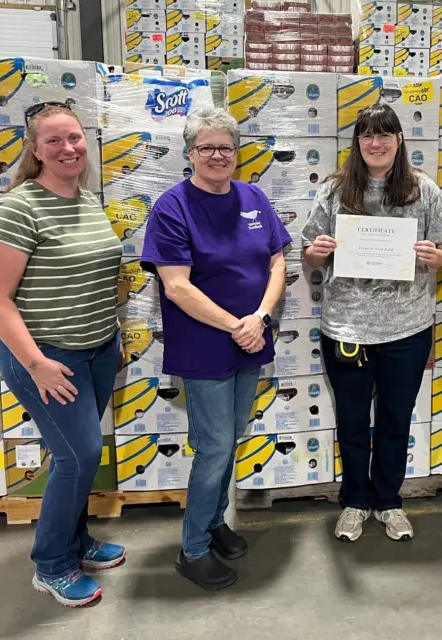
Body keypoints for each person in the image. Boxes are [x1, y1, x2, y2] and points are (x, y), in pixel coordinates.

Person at [0, 103, 125, 608]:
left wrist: (113, 338)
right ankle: (51, 564)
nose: (69, 148)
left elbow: (97, 277)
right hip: (47, 357)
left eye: (76, 138)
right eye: (56, 141)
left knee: (81, 461)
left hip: (98, 350)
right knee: (78, 456)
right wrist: (37, 364)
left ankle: (78, 542)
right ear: (35, 149)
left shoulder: (85, 200)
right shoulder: (19, 208)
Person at [141, 108, 290, 591]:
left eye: (226, 147)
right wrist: (237, 326)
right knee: (215, 446)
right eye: (207, 147)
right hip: (205, 347)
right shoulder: (172, 207)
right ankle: (193, 548)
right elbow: (177, 287)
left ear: (237, 152)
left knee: (234, 436)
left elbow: (277, 264)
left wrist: (260, 320)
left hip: (252, 339)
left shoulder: (254, 198)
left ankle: (212, 523)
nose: (218, 155)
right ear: (190, 154)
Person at [302, 103, 442, 543]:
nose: (376, 142)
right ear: (357, 142)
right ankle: (354, 501)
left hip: (406, 329)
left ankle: (388, 501)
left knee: (394, 419)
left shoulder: (424, 191)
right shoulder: (334, 191)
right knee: (351, 420)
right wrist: (321, 250)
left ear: (399, 140)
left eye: (385, 134)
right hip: (346, 327)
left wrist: (434, 256)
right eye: (367, 135)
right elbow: (309, 249)